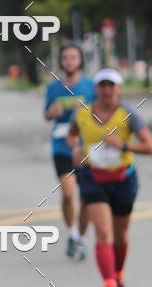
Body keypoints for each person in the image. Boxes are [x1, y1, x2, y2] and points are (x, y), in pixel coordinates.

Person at [69, 68, 152, 287]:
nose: (107, 90)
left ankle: (118, 276)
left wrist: (124, 145)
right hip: (92, 178)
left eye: (112, 85)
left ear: (119, 88)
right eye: (103, 85)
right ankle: (109, 286)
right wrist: (76, 149)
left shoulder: (128, 114)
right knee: (103, 232)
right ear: (96, 88)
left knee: (121, 235)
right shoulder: (82, 113)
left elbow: (151, 147)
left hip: (123, 179)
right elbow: (72, 134)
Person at [44, 44, 94, 260]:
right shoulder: (53, 88)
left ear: (80, 61)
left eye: (73, 57)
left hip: (87, 147)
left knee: (86, 199)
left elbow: (101, 113)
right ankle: (72, 232)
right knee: (67, 191)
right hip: (61, 145)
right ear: (61, 62)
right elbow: (47, 115)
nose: (69, 61)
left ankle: (80, 238)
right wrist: (52, 111)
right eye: (65, 57)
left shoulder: (91, 86)